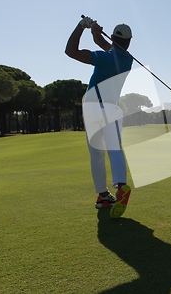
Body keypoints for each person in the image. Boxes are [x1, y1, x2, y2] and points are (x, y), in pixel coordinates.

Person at [65, 16, 132, 218]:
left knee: (97, 154)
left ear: (112, 37)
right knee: (115, 150)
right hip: (110, 108)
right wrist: (95, 34)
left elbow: (70, 51)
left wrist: (81, 27)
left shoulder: (104, 58)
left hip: (92, 108)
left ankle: (103, 196)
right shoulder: (127, 59)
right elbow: (107, 46)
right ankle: (120, 187)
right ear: (129, 41)